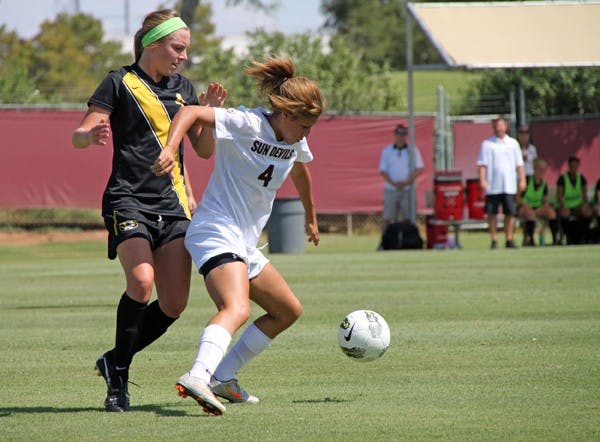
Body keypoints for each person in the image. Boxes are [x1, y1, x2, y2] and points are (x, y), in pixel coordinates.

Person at [71, 9, 227, 412]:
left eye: (186, 50)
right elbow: (80, 133)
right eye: (178, 48)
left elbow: (205, 151)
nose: (184, 57)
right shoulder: (118, 82)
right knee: (141, 282)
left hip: (173, 206)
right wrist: (91, 135)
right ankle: (119, 379)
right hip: (128, 199)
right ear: (153, 44)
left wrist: (208, 118)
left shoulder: (184, 89)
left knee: (174, 303)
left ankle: (112, 359)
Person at [152, 57, 323, 415]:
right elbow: (191, 114)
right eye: (304, 125)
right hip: (215, 229)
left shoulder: (295, 140)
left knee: (287, 310)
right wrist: (170, 148)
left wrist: (311, 216)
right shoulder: (247, 122)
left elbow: (300, 169)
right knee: (236, 308)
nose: (307, 132)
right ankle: (198, 375)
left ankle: (222, 378)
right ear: (286, 114)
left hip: (243, 242)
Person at [477, 116, 527, 249]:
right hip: (493, 185)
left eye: (501, 125)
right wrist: (482, 180)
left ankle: (509, 239)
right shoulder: (487, 144)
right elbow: (482, 164)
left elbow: (519, 164)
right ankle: (494, 240)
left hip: (509, 185)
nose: (499, 128)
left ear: (506, 127)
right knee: (492, 213)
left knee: (510, 213)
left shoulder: (513, 144)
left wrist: (522, 179)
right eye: (496, 125)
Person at [378, 124, 424, 243]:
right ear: (395, 135)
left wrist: (406, 182)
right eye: (398, 134)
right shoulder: (387, 151)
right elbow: (382, 170)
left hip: (408, 189)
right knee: (387, 217)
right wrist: (393, 183)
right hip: (391, 189)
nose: (400, 137)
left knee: (410, 217)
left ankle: (411, 241)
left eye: (403, 134)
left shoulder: (412, 150)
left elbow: (419, 168)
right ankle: (384, 242)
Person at [516, 158, 559, 246]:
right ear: (535, 169)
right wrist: (526, 205)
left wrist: (544, 207)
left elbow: (544, 201)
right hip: (524, 207)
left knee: (551, 212)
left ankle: (555, 239)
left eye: (544, 170)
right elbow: (517, 197)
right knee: (529, 213)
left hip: (537, 207)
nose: (542, 172)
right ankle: (531, 240)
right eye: (540, 169)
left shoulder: (543, 184)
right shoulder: (527, 180)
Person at [556, 156, 592, 244]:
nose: (574, 168)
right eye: (572, 166)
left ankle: (584, 236)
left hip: (577, 206)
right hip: (566, 205)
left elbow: (584, 194)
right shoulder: (562, 178)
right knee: (565, 213)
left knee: (586, 212)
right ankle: (566, 236)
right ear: (569, 166)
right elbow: (559, 196)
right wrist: (563, 206)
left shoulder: (581, 178)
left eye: (575, 166)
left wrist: (585, 205)